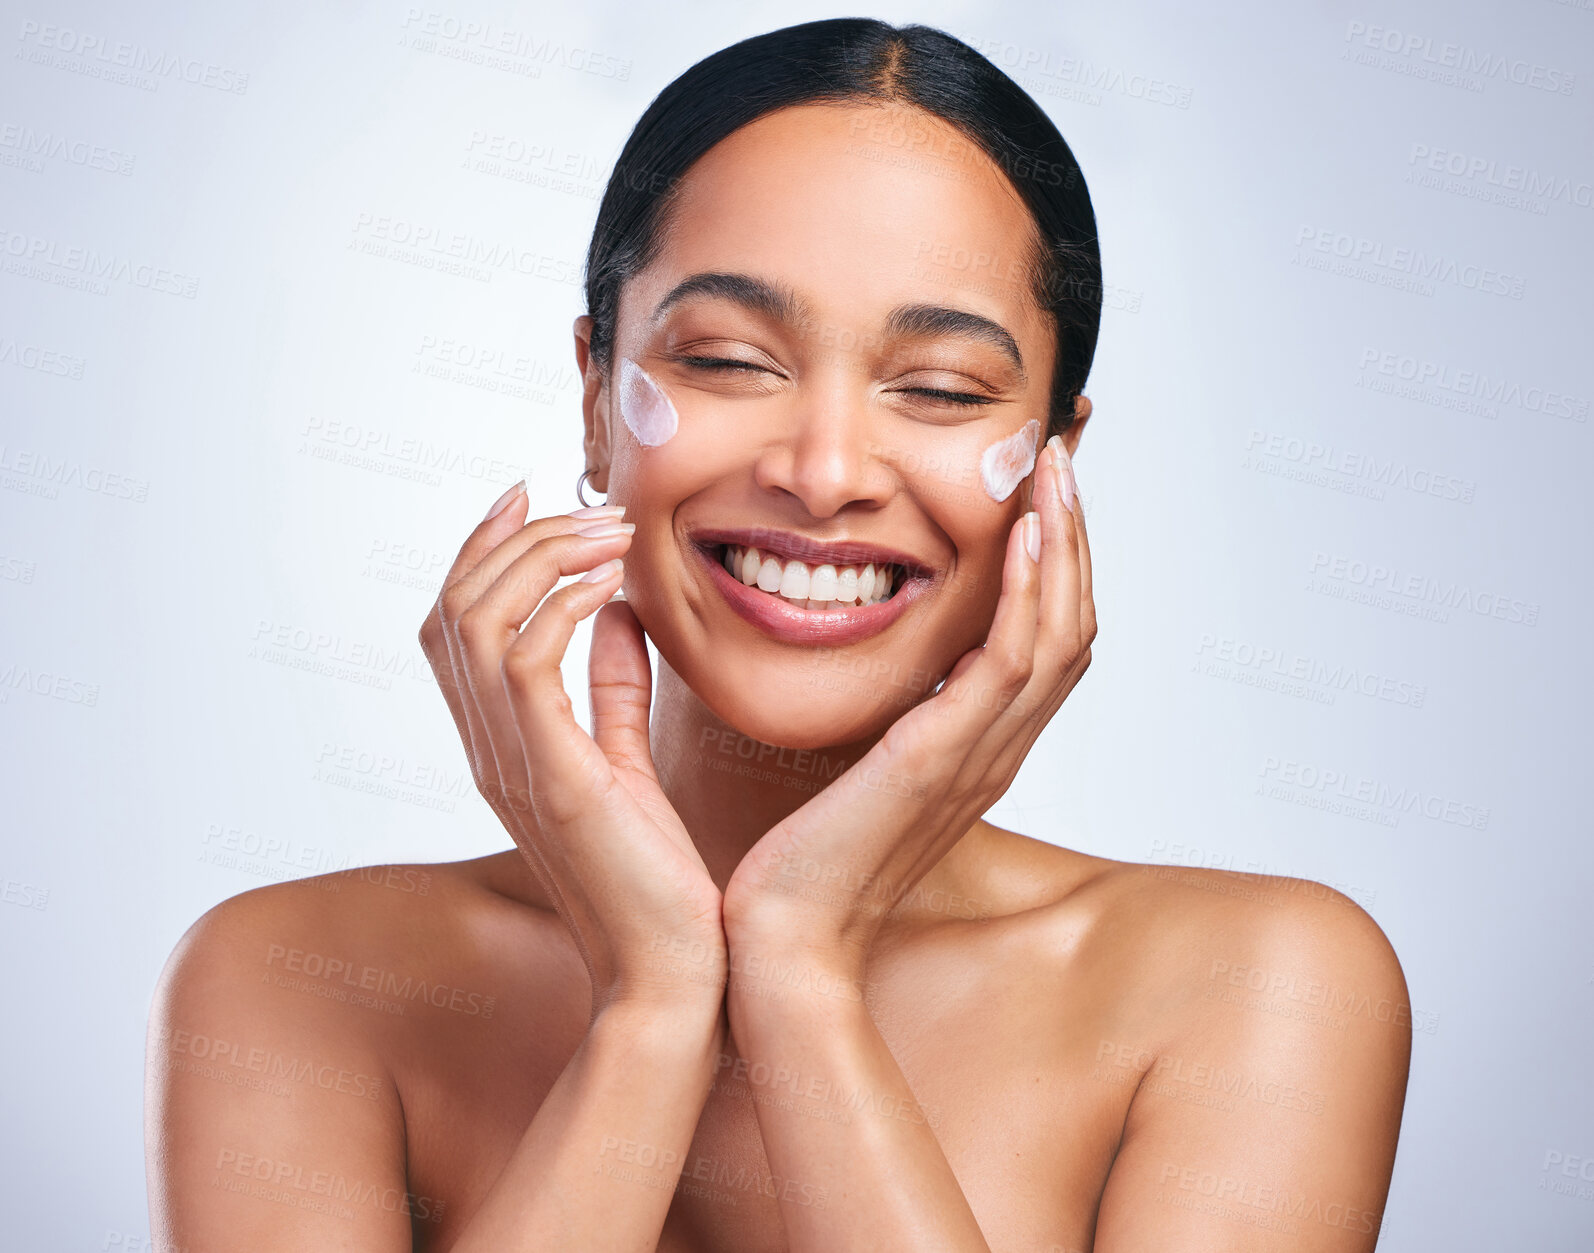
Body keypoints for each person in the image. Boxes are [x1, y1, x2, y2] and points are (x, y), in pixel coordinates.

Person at [145, 18, 1410, 1252]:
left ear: (1052, 464)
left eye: (942, 389)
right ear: (597, 398)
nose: (823, 471)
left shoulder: (1264, 987)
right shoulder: (301, 979)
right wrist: (649, 1012)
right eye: (731, 360)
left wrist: (801, 971)